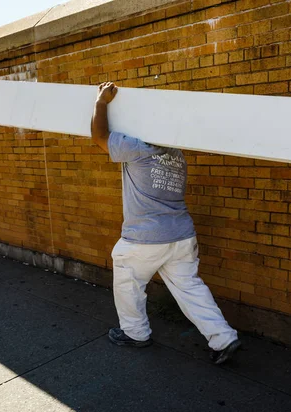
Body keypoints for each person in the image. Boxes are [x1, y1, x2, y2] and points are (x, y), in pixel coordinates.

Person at [90, 82, 241, 364]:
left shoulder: (137, 148)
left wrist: (101, 102)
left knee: (128, 281)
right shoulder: (176, 155)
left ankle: (135, 333)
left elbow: (99, 135)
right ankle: (223, 338)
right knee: (190, 288)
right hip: (181, 235)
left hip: (144, 238)